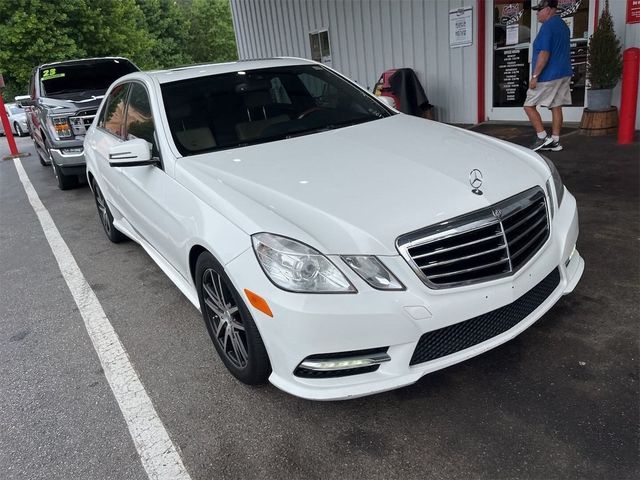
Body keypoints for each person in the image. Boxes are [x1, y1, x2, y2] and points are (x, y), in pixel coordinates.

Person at [524, 0, 572, 152]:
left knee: (528, 105)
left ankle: (542, 137)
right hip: (563, 73)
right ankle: (555, 142)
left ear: (550, 10)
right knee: (556, 106)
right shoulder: (563, 26)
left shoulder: (547, 27)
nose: (537, 13)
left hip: (548, 75)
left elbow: (544, 53)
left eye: (540, 10)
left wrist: (535, 76)